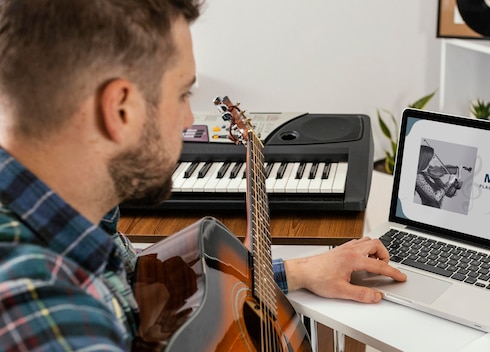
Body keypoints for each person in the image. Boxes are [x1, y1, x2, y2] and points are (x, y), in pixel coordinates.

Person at [0, 1, 406, 350]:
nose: (189, 120)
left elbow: (146, 289)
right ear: (120, 110)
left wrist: (298, 271)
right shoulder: (50, 320)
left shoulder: (67, 223)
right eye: (182, 94)